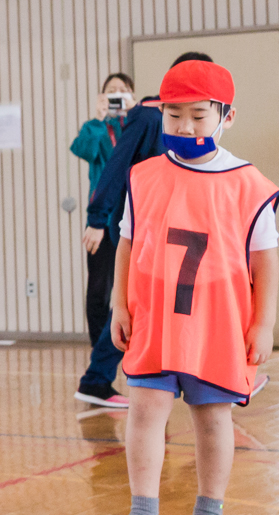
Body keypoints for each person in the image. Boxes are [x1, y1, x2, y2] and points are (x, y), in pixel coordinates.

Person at [97, 59, 279, 515]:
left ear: (227, 116)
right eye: (174, 115)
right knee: (144, 409)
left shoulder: (248, 184)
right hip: (155, 318)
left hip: (217, 322)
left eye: (198, 115)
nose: (185, 126)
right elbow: (127, 244)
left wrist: (263, 323)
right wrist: (119, 303)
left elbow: (265, 262)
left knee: (212, 416)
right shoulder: (145, 176)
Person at [76, 56, 216, 409]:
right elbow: (116, 163)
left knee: (177, 299)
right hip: (137, 225)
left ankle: (206, 371)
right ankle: (97, 379)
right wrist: (96, 216)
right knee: (131, 302)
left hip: (178, 227)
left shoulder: (198, 121)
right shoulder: (149, 114)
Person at [68, 73, 133, 397]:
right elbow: (82, 149)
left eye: (123, 91)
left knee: (130, 292)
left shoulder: (137, 124)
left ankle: (120, 358)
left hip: (132, 219)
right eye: (112, 92)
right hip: (102, 218)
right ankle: (101, 355)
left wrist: (131, 114)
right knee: (99, 292)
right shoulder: (95, 128)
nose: (117, 96)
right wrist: (98, 117)